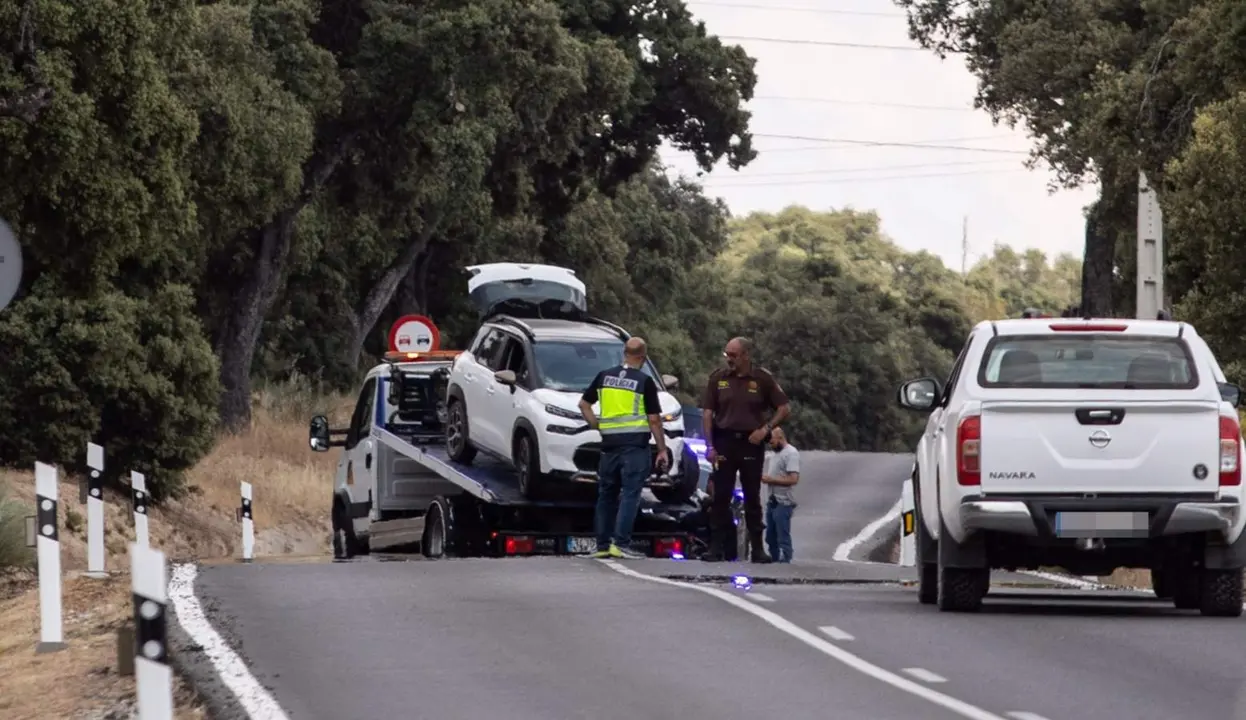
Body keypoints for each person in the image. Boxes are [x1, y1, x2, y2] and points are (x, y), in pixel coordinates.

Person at [579, 337, 670, 559]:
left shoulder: (604, 376)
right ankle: (620, 544)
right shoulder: (644, 381)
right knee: (630, 494)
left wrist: (597, 425)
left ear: (624, 353)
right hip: (634, 446)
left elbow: (584, 405)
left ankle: (602, 545)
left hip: (609, 445)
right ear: (643, 357)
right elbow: (654, 420)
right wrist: (662, 449)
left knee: (606, 495)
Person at [701, 337, 791, 563]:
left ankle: (757, 549)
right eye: (727, 354)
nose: (729, 359)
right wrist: (709, 445)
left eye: (733, 355)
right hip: (724, 441)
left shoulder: (762, 378)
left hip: (750, 443)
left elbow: (784, 407)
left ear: (746, 355)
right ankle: (716, 547)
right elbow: (708, 413)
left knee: (752, 495)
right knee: (721, 495)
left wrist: (766, 429)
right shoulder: (718, 378)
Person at [761, 427, 800, 563]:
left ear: (780, 438)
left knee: (782, 533)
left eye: (772, 442)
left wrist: (771, 480)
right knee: (770, 535)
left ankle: (786, 558)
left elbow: (793, 479)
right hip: (772, 500)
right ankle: (774, 558)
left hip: (784, 501)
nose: (770, 445)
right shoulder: (775, 454)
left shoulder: (791, 453)